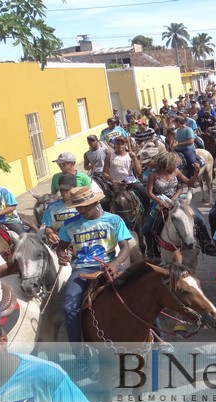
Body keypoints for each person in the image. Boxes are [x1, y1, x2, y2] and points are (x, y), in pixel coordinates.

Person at [57, 186, 132, 358]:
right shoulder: (68, 225)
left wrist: (116, 263)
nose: (81, 210)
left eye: (85, 206)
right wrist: (62, 255)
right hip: (82, 270)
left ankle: (158, 339)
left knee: (138, 292)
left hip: (110, 265)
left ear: (96, 202)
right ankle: (79, 354)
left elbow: (125, 247)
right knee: (69, 308)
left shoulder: (114, 220)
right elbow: (61, 247)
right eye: (78, 207)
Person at [143, 152, 216, 257]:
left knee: (199, 218)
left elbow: (189, 183)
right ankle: (151, 249)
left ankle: (206, 242)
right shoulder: (153, 175)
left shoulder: (176, 172)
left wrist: (196, 173)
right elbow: (149, 192)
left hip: (177, 200)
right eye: (173, 164)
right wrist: (160, 201)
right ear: (166, 164)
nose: (175, 166)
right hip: (160, 201)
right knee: (147, 227)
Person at [102, 135, 149, 209]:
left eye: (122, 143)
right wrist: (113, 180)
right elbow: (104, 172)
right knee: (104, 202)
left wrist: (135, 159)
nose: (119, 145)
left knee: (145, 194)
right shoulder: (109, 156)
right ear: (115, 144)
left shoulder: (130, 156)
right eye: (117, 143)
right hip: (114, 184)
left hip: (130, 183)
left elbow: (138, 173)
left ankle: (146, 213)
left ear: (125, 144)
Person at [41, 173, 79, 245]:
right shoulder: (52, 208)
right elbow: (48, 226)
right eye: (61, 190)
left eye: (67, 190)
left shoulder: (83, 205)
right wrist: (50, 233)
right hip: (60, 243)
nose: (64, 193)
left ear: (75, 187)